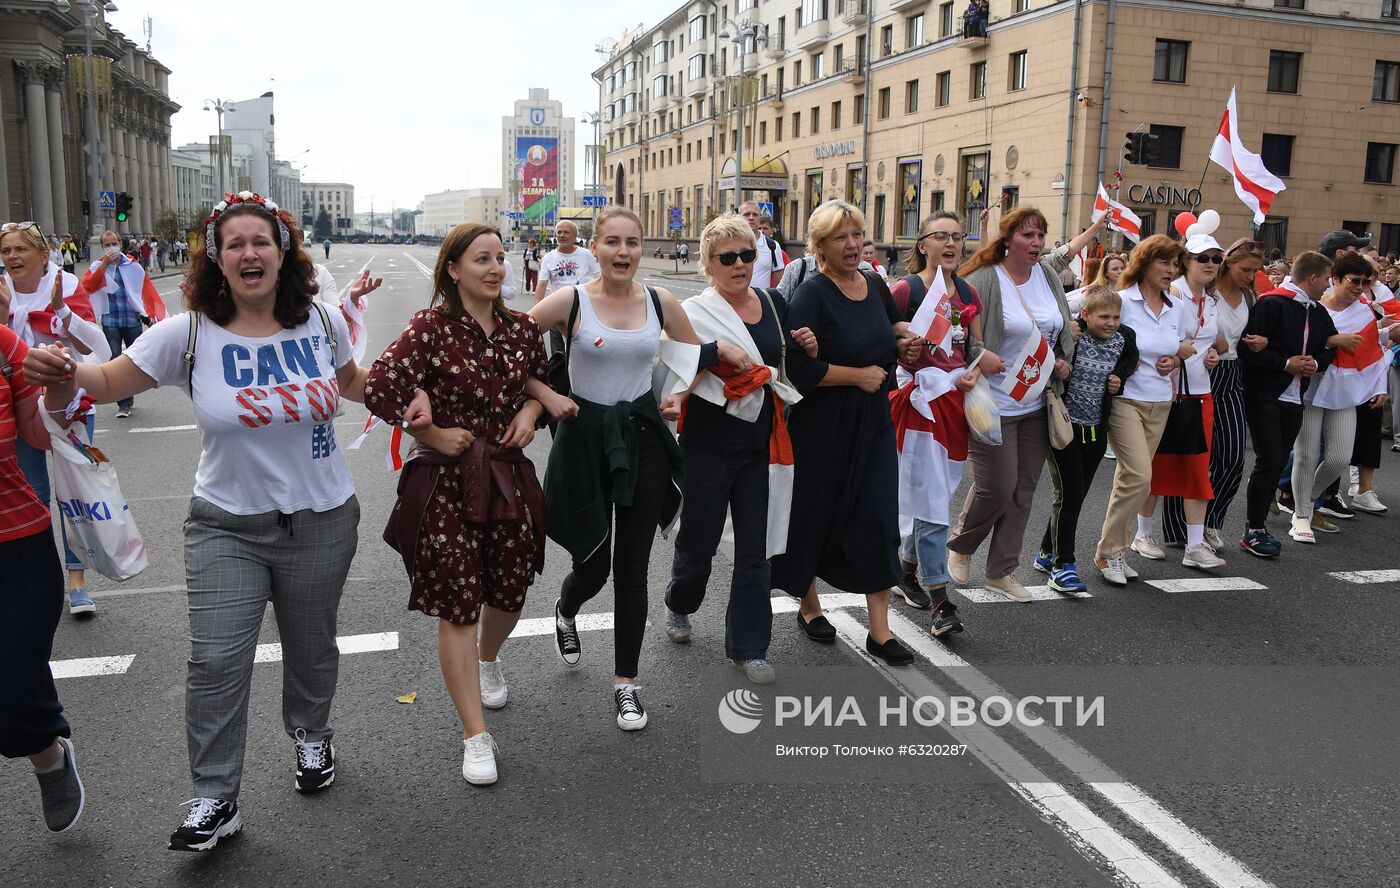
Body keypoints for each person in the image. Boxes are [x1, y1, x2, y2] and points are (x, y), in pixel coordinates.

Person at [24, 192, 417, 852]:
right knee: (214, 661)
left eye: (260, 240)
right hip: (225, 526)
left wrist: (417, 390)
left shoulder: (319, 321)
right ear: (217, 257)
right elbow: (108, 379)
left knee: (312, 648)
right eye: (233, 243)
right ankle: (215, 797)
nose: (248, 252)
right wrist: (62, 372)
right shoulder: (192, 332)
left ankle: (312, 737)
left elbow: (352, 381)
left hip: (322, 520)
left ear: (283, 250)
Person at [529, 205, 745, 731]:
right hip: (583, 440)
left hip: (642, 438)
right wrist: (540, 395)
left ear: (642, 248)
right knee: (594, 563)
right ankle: (566, 607)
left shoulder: (659, 300)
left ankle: (627, 683)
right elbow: (511, 346)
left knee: (632, 568)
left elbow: (692, 356)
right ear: (595, 248)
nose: (623, 252)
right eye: (613, 243)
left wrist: (679, 395)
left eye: (632, 243)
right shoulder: (571, 300)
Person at [365, 223, 550, 785]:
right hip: (445, 482)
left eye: (501, 258)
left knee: (511, 589)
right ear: (453, 269)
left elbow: (538, 379)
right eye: (481, 259)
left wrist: (532, 412)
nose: (495, 268)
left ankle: (488, 659)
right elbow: (380, 385)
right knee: (458, 603)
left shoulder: (522, 329)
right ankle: (475, 735)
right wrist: (434, 433)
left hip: (506, 476)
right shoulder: (431, 328)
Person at [769, 199, 921, 665]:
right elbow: (797, 368)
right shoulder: (812, 293)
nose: (853, 244)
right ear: (820, 246)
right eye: (841, 237)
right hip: (823, 425)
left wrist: (905, 347)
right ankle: (810, 606)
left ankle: (880, 631)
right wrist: (856, 376)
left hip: (873, 423)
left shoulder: (874, 283)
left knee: (877, 518)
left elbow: (885, 337)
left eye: (857, 234)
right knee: (814, 516)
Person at [662, 213, 804, 684]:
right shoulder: (694, 311)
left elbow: (781, 362)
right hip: (708, 443)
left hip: (760, 444)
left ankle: (750, 647)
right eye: (728, 257)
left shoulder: (771, 301)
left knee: (756, 551)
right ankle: (680, 602)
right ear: (708, 264)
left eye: (747, 254)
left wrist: (805, 342)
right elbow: (678, 360)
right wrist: (713, 354)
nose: (740, 263)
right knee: (699, 542)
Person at [948, 209, 1100, 599]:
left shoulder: (1048, 276)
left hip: (1036, 402)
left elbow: (1059, 328)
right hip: (991, 402)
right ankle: (961, 545)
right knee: (996, 486)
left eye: (1041, 235)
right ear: (1008, 238)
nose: (1036, 243)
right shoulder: (983, 278)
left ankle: (1002, 571)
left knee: (1023, 489)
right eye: (1028, 235)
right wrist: (981, 356)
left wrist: (1062, 359)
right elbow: (956, 330)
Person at [0, 320, 86, 835]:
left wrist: (57, 385)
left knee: (12, 681)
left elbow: (39, 432)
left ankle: (48, 755)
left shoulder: (5, 345)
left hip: (14, 541)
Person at [2, 221, 108, 617]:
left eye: (19, 250)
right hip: (19, 407)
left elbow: (93, 346)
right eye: (6, 251)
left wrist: (62, 309)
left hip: (69, 401)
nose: (11, 257)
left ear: (43, 254)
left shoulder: (63, 285)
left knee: (72, 494)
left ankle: (77, 579)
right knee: (30, 494)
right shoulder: (1, 290)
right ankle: (38, 576)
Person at [888, 211, 982, 634]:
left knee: (939, 491)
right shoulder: (906, 289)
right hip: (918, 408)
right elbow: (881, 334)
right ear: (922, 244)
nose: (950, 243)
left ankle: (905, 569)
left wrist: (978, 369)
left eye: (957, 237)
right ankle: (941, 600)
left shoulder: (966, 291)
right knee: (932, 503)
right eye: (940, 236)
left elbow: (977, 349)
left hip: (955, 408)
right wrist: (904, 338)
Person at [1092, 234, 1191, 585]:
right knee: (1140, 476)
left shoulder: (1177, 305)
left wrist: (1176, 359)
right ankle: (1108, 553)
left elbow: (1181, 346)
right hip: (1124, 400)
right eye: (1164, 262)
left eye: (1175, 263)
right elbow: (1087, 325)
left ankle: (1114, 551)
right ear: (1145, 263)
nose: (1171, 269)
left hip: (1161, 401)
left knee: (1130, 479)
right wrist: (1114, 367)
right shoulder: (1122, 299)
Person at [1034, 285, 1137, 594]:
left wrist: (1120, 378)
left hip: (1096, 430)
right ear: (1085, 315)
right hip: (1064, 428)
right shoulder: (1073, 338)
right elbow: (1049, 346)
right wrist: (1070, 334)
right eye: (1103, 316)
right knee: (1071, 495)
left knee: (1073, 495)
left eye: (1116, 317)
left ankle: (1045, 551)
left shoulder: (1123, 339)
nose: (1111, 323)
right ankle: (1063, 565)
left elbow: (1130, 360)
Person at [1138, 218, 1227, 570]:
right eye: (1201, 257)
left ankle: (1194, 544)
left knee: (1196, 470)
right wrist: (1178, 352)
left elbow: (1213, 342)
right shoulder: (1171, 294)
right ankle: (1142, 533)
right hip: (1166, 392)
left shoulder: (1213, 300)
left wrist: (1214, 354)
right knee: (1151, 468)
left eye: (1215, 258)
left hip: (1200, 393)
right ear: (1185, 261)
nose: (1209, 264)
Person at [1238, 250, 1338, 557]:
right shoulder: (1272, 304)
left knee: (1279, 457)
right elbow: (1248, 350)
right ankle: (1253, 528)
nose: (1327, 285)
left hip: (1296, 397)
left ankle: (1260, 525)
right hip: (1265, 393)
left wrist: (1315, 363)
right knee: (1269, 458)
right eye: (1325, 279)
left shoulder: (1318, 312)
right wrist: (1285, 364)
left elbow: (1328, 345)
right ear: (1311, 277)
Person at [1290, 253, 1393, 540]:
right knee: (1306, 455)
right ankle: (1300, 515)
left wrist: (1379, 388)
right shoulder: (1313, 308)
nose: (1360, 286)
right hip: (1311, 389)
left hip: (1346, 392)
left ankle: (1306, 500)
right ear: (1335, 279)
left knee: (1339, 458)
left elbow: (1373, 355)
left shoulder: (1364, 311)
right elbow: (1296, 339)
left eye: (1365, 281)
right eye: (1354, 280)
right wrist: (1334, 340)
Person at [1192, 237, 1267, 549]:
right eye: (1245, 269)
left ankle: (1212, 522)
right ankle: (1184, 527)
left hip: (1232, 374)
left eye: (1255, 271)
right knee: (1194, 456)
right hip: (1200, 372)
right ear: (1228, 263)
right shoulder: (1207, 291)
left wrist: (1263, 343)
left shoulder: (1251, 298)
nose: (1250, 276)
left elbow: (1258, 336)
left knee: (1234, 456)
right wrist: (1212, 336)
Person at [83, 229, 167, 419]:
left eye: (114, 243)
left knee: (136, 361)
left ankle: (131, 394)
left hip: (131, 320)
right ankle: (123, 403)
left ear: (120, 243)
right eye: (107, 245)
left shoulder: (132, 265)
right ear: (102, 247)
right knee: (115, 360)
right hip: (110, 320)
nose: (111, 247)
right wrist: (104, 265)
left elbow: (143, 291)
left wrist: (149, 314)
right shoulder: (98, 266)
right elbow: (89, 285)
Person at [739, 201, 785, 288]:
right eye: (747, 214)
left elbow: (780, 284)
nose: (751, 218)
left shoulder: (772, 246)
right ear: (739, 217)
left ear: (760, 218)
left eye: (755, 215)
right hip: (733, 300)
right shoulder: (730, 244)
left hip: (761, 300)